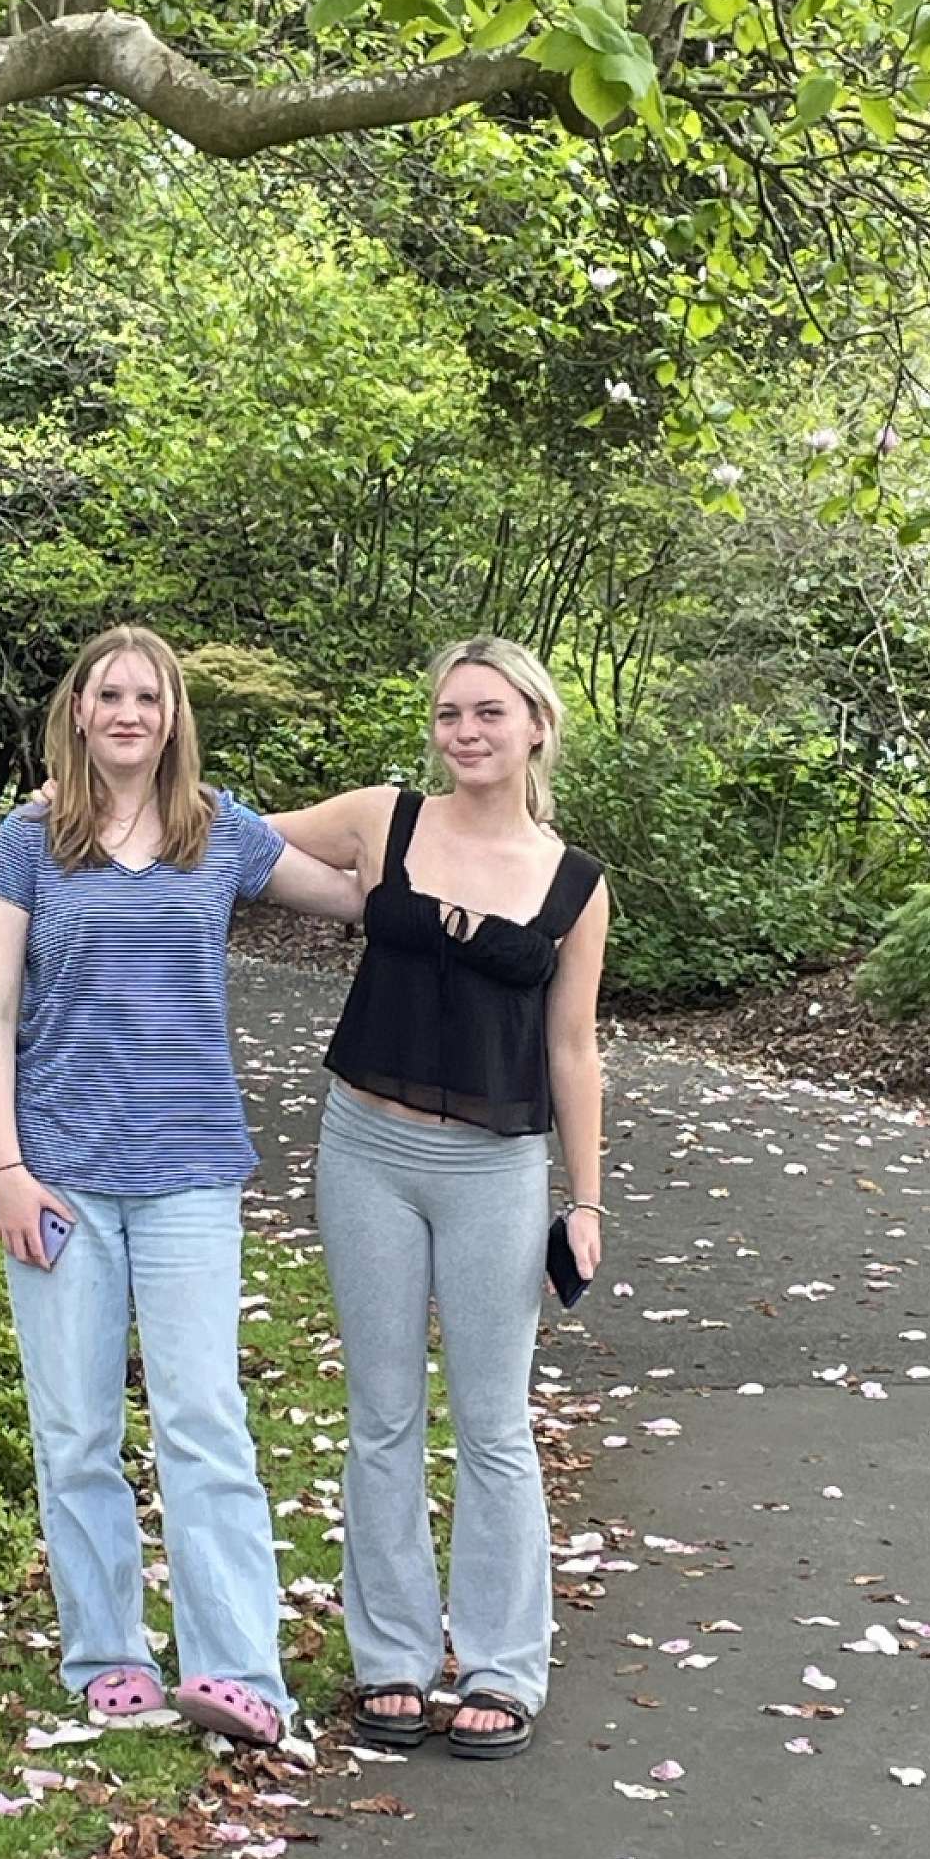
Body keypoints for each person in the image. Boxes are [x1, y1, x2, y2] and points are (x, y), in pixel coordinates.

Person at [0, 624, 362, 1746]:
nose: (129, 712)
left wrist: (427, 823)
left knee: (203, 1420)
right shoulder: (29, 840)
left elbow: (356, 894)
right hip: (58, 1176)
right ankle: (107, 1658)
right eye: (110, 695)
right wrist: (5, 1169)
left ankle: (239, 1673)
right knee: (76, 1430)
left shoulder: (217, 833)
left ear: (174, 714)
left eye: (149, 696)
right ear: (79, 712)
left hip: (190, 1170)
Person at [267, 635, 608, 1760]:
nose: (466, 731)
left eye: (489, 712)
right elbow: (234, 834)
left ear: (536, 726)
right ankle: (393, 1659)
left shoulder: (574, 882)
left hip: (495, 1171)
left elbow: (572, 1047)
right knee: (381, 1417)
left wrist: (586, 1200)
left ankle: (503, 1667)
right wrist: (93, 796)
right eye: (450, 714)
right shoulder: (387, 820)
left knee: (495, 1425)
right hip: (364, 1148)